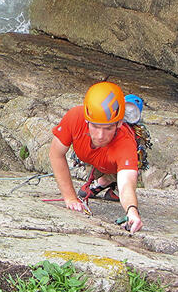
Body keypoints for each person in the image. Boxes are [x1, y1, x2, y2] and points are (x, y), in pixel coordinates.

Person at [48, 81, 143, 233]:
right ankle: (103, 179)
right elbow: (56, 154)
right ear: (87, 120)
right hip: (92, 158)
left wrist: (132, 212)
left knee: (115, 172)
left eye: (108, 128)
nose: (100, 135)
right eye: (95, 126)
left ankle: (106, 180)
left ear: (119, 123)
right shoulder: (75, 117)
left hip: (111, 164)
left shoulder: (125, 143)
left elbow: (126, 183)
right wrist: (70, 197)